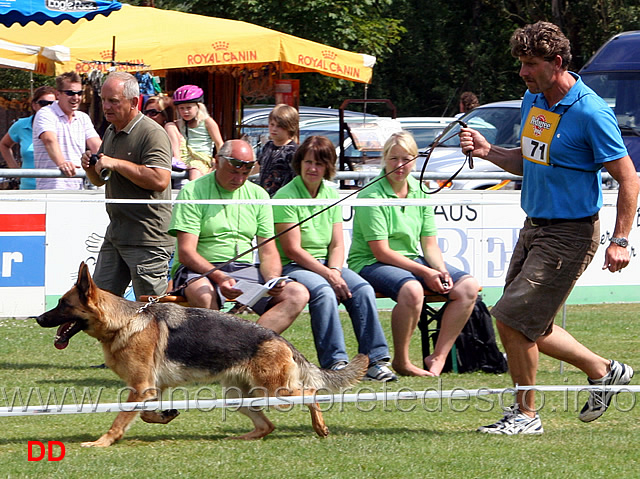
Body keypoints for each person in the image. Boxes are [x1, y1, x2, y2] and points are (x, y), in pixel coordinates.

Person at [460, 21, 639, 435]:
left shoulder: (591, 112)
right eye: (521, 64)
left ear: (556, 63)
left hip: (571, 232)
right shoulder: (533, 99)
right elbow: (529, 159)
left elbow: (629, 178)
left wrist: (621, 240)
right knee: (529, 323)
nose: (522, 73)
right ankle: (604, 370)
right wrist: (489, 152)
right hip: (534, 226)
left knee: (511, 319)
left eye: (530, 64)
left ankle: (525, 416)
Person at [348, 131, 480, 377]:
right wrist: (425, 271)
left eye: (406, 159)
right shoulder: (371, 194)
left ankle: (438, 357)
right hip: (370, 262)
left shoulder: (420, 191)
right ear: (384, 159)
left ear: (415, 160)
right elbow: (381, 251)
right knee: (413, 289)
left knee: (468, 287)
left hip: (410, 260)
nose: (399, 165)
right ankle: (402, 361)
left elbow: (429, 244)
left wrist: (438, 269)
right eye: (394, 158)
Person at [273, 136, 396, 381]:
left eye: (319, 163)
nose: (312, 168)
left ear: (328, 167)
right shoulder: (285, 196)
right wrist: (328, 274)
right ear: (299, 163)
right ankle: (335, 363)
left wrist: (336, 271)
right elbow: (292, 249)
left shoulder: (330, 192)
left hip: (327, 265)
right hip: (295, 266)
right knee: (324, 292)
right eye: (308, 162)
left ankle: (376, 361)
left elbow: (338, 242)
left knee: (362, 289)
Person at [168, 139, 309, 333]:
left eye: (245, 173)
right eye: (234, 172)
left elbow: (268, 251)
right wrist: (220, 277)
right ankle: (223, 353)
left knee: (297, 294)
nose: (239, 179)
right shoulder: (193, 192)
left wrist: (273, 280)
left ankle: (248, 348)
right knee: (204, 294)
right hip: (199, 272)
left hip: (245, 270)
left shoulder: (259, 196)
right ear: (217, 162)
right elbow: (185, 253)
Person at [81, 71, 174, 300]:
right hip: (117, 233)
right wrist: (90, 170)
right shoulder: (112, 130)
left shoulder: (152, 133)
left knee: (153, 313)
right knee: (99, 305)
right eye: (104, 100)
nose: (106, 106)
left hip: (147, 238)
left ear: (134, 102)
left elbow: (160, 180)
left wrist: (115, 163)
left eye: (113, 100)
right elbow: (101, 180)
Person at [32, 72, 101, 189]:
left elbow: (97, 145)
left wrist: (113, 162)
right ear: (58, 94)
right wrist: (62, 163)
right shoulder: (45, 113)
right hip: (52, 188)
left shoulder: (82, 117)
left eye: (79, 93)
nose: (76, 97)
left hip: (78, 187)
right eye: (70, 93)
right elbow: (49, 140)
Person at [0, 86, 57, 190]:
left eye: (52, 104)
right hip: (28, 189)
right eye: (43, 103)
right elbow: (4, 145)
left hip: (56, 187)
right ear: (34, 105)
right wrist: (16, 171)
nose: (48, 107)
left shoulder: (62, 125)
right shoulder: (21, 125)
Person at [173, 84, 224, 181]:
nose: (185, 112)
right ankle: (176, 159)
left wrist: (219, 164)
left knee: (195, 170)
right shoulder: (179, 123)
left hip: (201, 159)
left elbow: (219, 144)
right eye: (181, 108)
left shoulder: (208, 122)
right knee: (169, 126)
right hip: (185, 158)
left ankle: (194, 194)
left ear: (199, 106)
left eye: (189, 108)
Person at [143, 95, 186, 188]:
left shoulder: (169, 128)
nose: (147, 116)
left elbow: (176, 159)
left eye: (153, 113)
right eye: (145, 113)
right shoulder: (148, 131)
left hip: (176, 177)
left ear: (164, 115)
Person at [257, 104, 299, 196]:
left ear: (290, 127)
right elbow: (258, 166)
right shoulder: (268, 146)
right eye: (272, 124)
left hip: (284, 199)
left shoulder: (294, 152)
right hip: (264, 197)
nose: (274, 129)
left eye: (279, 126)